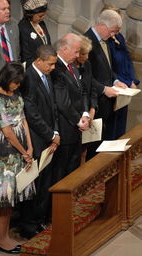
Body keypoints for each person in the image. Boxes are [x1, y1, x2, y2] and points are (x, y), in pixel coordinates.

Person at [0, 62, 35, 254]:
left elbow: (23, 119)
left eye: (19, 83)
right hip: (4, 151)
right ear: (6, 78)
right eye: (15, 82)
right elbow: (7, 131)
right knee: (4, 197)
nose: (17, 85)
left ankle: (5, 236)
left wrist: (30, 146)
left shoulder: (16, 93)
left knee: (12, 196)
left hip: (19, 146)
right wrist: (23, 151)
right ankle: (0, 240)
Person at [19, 45, 59, 239]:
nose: (53, 68)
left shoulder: (47, 75)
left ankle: (40, 219)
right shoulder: (28, 78)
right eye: (50, 64)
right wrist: (51, 135)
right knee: (33, 185)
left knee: (45, 183)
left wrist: (56, 131)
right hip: (36, 139)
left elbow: (53, 106)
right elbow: (31, 113)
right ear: (39, 60)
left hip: (49, 137)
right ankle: (28, 225)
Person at [84, 9, 127, 159]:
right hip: (94, 103)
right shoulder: (86, 41)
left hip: (106, 103)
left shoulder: (105, 40)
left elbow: (108, 68)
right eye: (112, 31)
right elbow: (85, 77)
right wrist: (103, 89)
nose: (113, 35)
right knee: (91, 149)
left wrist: (115, 80)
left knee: (101, 146)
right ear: (102, 25)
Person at [51, 33, 89, 183]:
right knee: (62, 174)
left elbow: (83, 91)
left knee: (73, 171)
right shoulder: (56, 69)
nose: (78, 55)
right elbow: (62, 103)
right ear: (64, 49)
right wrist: (79, 121)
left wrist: (85, 113)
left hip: (77, 129)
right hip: (65, 130)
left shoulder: (72, 65)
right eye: (76, 51)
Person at [101, 5, 140, 138]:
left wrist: (132, 80)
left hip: (126, 86)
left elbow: (127, 60)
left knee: (121, 123)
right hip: (115, 85)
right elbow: (110, 67)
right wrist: (120, 81)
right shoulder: (106, 42)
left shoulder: (120, 38)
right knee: (112, 124)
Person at [18, 0, 51, 68]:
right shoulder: (23, 27)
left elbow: (47, 42)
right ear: (30, 15)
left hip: (45, 64)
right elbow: (25, 54)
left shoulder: (41, 23)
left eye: (44, 15)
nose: (42, 18)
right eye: (40, 16)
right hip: (33, 67)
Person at [74, 35, 98, 120]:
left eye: (88, 53)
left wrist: (93, 108)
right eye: (83, 54)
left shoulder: (87, 64)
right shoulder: (69, 68)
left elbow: (92, 87)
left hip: (88, 111)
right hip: (74, 114)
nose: (87, 57)